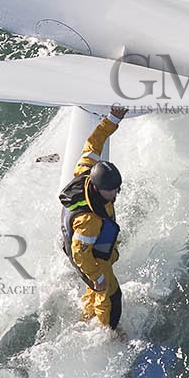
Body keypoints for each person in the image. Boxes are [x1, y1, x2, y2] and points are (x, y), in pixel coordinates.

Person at [60, 104, 129, 335]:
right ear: (99, 189)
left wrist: (113, 119)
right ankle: (107, 331)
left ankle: (85, 317)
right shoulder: (89, 220)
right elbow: (80, 253)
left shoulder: (86, 171)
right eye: (112, 191)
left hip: (95, 255)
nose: (116, 194)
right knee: (110, 295)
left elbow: (93, 143)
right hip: (94, 262)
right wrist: (98, 277)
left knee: (95, 290)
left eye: (118, 188)